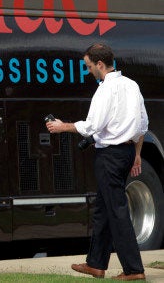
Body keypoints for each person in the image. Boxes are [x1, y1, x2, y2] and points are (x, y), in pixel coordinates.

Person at [46, 43, 148, 281]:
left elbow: (92, 126)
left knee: (117, 211)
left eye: (89, 66)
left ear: (100, 65)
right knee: (103, 210)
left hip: (109, 156)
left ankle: (134, 269)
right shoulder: (132, 85)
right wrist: (137, 154)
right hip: (125, 153)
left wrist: (62, 127)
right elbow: (143, 125)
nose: (89, 70)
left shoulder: (104, 90)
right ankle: (96, 264)